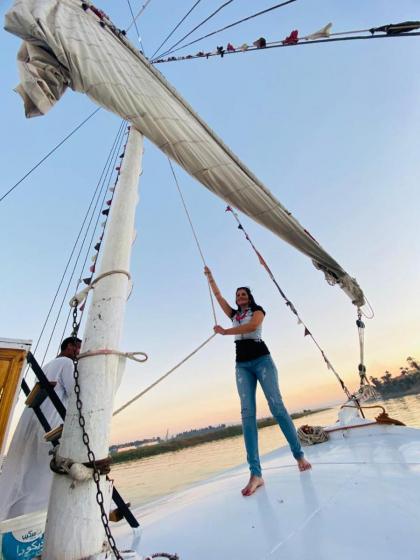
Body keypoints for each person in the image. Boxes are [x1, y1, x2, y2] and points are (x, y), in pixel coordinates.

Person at [204, 267, 311, 496]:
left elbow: (253, 327)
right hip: (242, 365)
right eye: (238, 295)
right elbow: (219, 298)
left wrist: (225, 332)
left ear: (249, 297)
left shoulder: (257, 311)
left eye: (244, 294)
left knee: (277, 406)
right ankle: (256, 474)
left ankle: (299, 455)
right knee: (247, 414)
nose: (240, 297)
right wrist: (210, 278)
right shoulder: (234, 315)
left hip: (262, 360)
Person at [0, 337, 81, 522]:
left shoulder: (48, 365)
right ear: (69, 346)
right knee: (47, 477)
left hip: (39, 425)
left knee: (30, 477)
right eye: (78, 348)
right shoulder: (66, 363)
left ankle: (18, 517)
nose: (79, 353)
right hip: (53, 424)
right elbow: (75, 391)